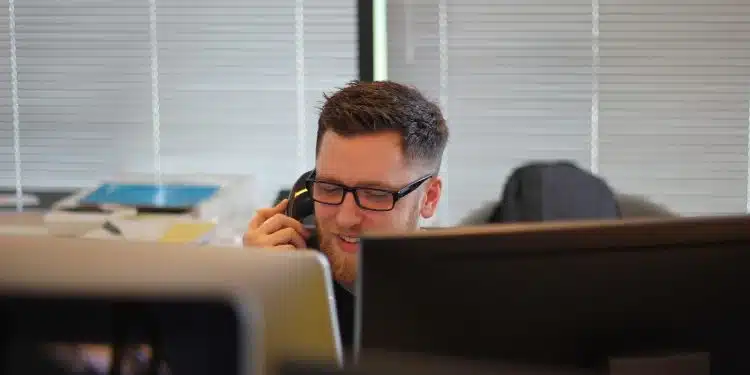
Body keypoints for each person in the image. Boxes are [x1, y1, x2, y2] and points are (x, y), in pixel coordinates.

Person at [242, 80, 449, 350]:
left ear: (429, 198)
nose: (345, 218)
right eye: (329, 188)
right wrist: (252, 292)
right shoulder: (281, 285)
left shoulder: (466, 307)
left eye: (375, 194)